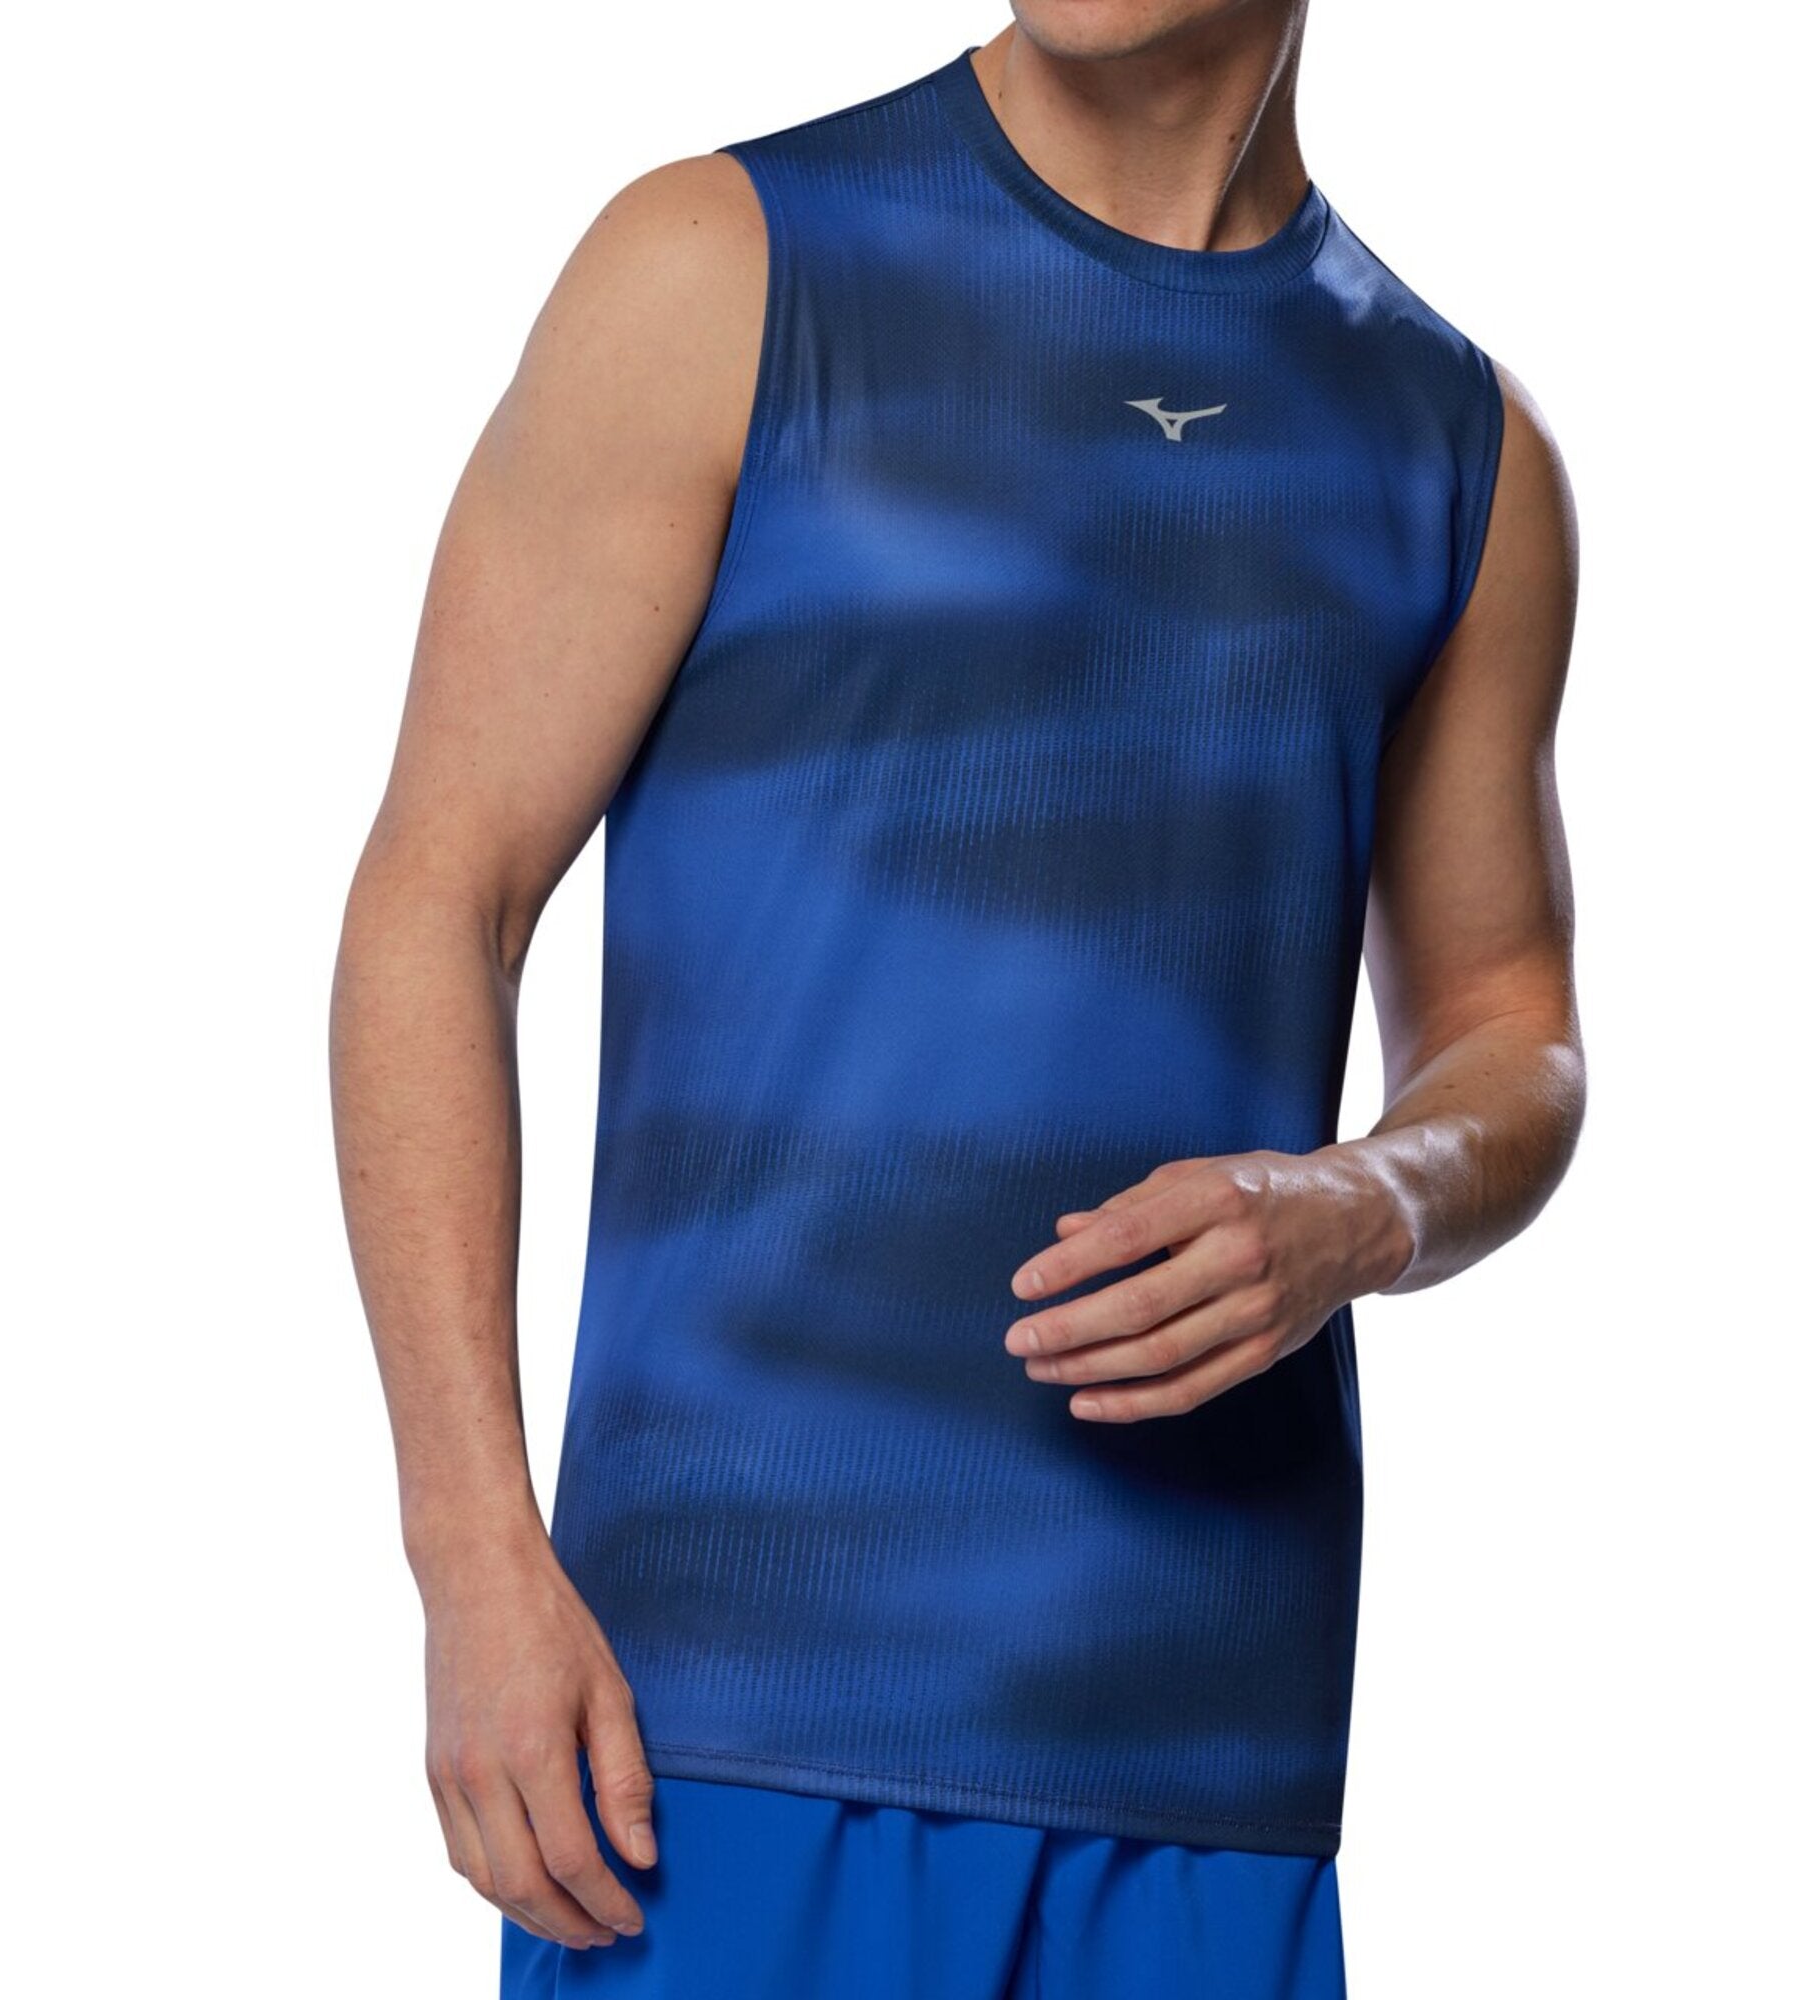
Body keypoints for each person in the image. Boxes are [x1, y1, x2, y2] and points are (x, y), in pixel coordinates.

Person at [330, 7, 1583, 1994]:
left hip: (1210, 1759)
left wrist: (1364, 1202)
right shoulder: (726, 266)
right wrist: (469, 1550)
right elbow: (440, 895)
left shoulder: (1453, 441)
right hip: (712, 1738)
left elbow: (1512, 1021)